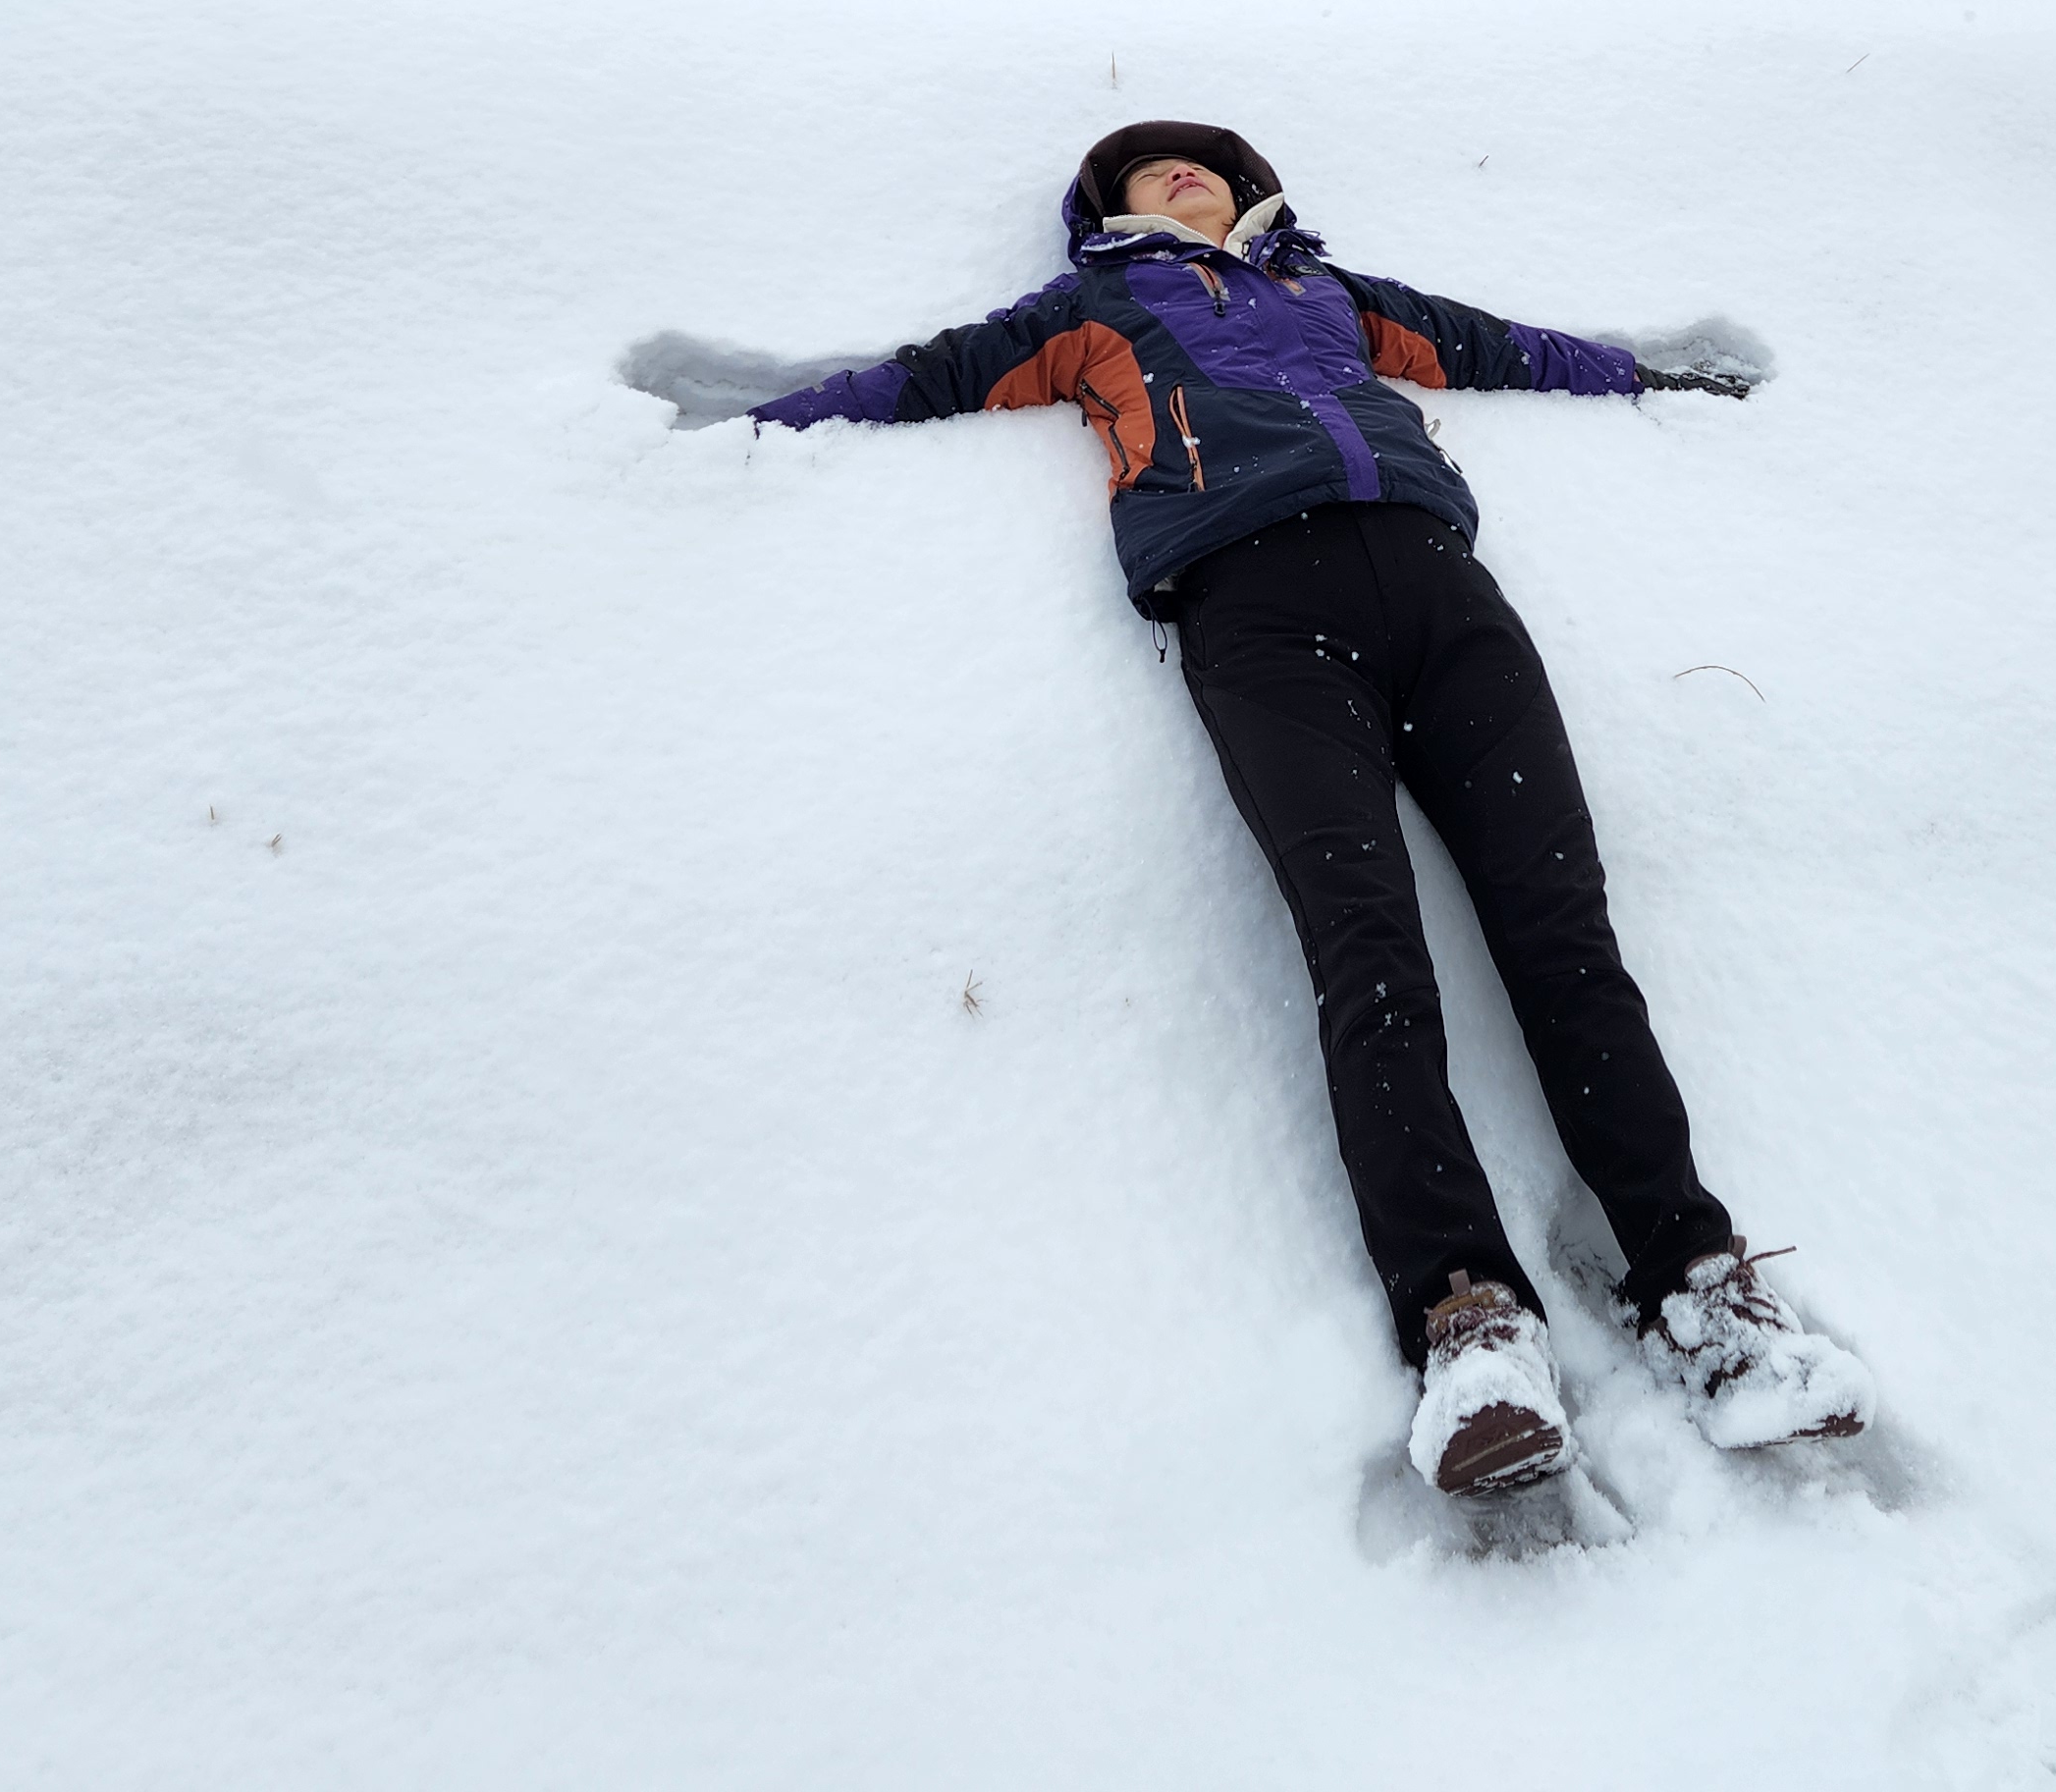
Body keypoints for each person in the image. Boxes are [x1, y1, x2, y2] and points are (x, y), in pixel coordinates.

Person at [746, 121, 1873, 1495]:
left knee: (1566, 938)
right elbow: (928, 376)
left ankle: (1701, 1293)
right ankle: (1470, 1325)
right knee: (1368, 948)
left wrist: (1648, 376)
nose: (1180, 173)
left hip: (1442, 595)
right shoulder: (1090, 310)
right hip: (1258, 614)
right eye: (1147, 167)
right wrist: (751, 426)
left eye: (1201, 161)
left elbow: (1494, 345)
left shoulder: (1330, 293)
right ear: (1106, 209)